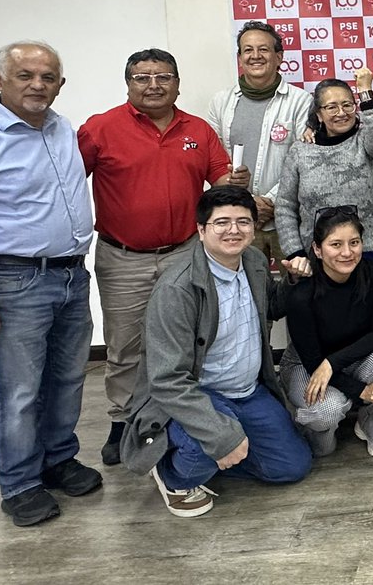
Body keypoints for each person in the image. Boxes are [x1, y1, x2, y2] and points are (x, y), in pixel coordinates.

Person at [79, 48, 247, 466]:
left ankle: (184, 414)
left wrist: (235, 182)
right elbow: (64, 184)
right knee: (125, 345)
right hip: (123, 258)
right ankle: (123, 421)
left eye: (163, 76)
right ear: (128, 82)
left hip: (187, 254)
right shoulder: (100, 129)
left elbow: (220, 182)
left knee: (190, 338)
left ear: (177, 82)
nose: (153, 85)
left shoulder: (198, 129)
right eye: (142, 77)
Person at [0, 41, 101, 527]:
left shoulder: (62, 128)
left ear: (61, 84)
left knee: (67, 377)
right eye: (25, 75)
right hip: (11, 281)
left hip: (70, 276)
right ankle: (19, 483)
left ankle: (58, 458)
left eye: (48, 77)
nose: (38, 85)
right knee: (19, 390)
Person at [120, 186, 312, 518]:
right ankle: (171, 473)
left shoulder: (252, 260)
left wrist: (292, 282)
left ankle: (224, 449)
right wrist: (219, 436)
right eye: (222, 222)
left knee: (292, 466)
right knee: (208, 445)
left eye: (243, 221)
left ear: (254, 227)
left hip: (247, 392)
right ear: (201, 230)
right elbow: (167, 381)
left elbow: (271, 307)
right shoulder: (177, 289)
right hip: (198, 392)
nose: (234, 230)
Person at [280, 207, 373, 459]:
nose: (347, 252)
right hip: (306, 364)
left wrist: (332, 363)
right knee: (327, 415)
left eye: (354, 243)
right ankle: (316, 431)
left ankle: (372, 425)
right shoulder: (303, 290)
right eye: (336, 244)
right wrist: (361, 391)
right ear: (317, 249)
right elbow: (314, 361)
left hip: (350, 358)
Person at [207, 20, 315, 265]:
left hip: (288, 219)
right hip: (238, 220)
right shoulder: (220, 102)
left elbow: (305, 162)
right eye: (248, 50)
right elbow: (215, 160)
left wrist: (269, 203)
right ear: (240, 58)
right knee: (245, 294)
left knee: (295, 293)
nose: (255, 56)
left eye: (263, 50)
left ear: (279, 57)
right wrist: (248, 205)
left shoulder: (301, 101)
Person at [276, 72, 373, 264]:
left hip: (370, 251)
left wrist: (365, 93)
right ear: (319, 115)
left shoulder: (366, 140)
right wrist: (295, 253)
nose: (341, 112)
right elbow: (285, 207)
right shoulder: (300, 151)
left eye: (347, 105)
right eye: (331, 107)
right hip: (317, 256)